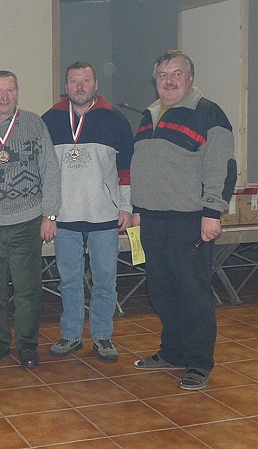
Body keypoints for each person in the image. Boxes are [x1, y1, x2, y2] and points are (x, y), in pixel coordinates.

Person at [130, 50, 236, 389]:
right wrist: (137, 208)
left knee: (193, 294)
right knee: (162, 291)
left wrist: (212, 212)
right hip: (152, 219)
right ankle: (173, 352)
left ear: (190, 78)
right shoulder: (149, 114)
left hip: (189, 220)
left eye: (177, 73)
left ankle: (199, 361)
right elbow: (143, 166)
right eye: (163, 75)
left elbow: (222, 167)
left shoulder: (208, 113)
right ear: (155, 80)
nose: (169, 80)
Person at [42, 61, 134, 363]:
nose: (79, 87)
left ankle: (102, 336)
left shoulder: (115, 119)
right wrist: (48, 213)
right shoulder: (50, 119)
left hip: (104, 215)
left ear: (96, 84)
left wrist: (126, 206)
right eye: (73, 81)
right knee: (68, 280)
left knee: (105, 279)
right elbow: (43, 171)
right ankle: (70, 335)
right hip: (64, 216)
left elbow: (126, 168)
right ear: (65, 86)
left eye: (85, 80)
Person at [0, 71, 60, 369]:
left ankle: (27, 345)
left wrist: (50, 214)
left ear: (17, 92)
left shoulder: (34, 123)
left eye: (10, 90)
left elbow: (50, 169)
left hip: (27, 220)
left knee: (28, 290)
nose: (4, 96)